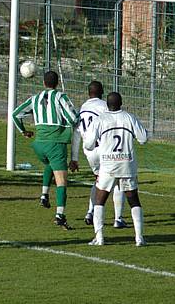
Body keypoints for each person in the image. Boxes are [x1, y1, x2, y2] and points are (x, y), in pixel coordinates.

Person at [12, 70, 79, 230]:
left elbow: (15, 114)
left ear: (43, 83)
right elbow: (73, 119)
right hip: (55, 143)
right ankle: (60, 216)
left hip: (39, 144)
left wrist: (24, 131)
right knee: (62, 181)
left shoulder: (35, 98)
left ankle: (44, 195)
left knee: (50, 164)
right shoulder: (61, 97)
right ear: (57, 83)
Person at [83, 92, 148, 246]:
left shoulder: (101, 119)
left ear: (107, 105)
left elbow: (88, 144)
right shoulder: (129, 117)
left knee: (100, 200)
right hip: (127, 163)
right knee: (134, 200)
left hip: (108, 165)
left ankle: (99, 238)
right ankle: (139, 238)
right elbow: (143, 139)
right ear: (121, 103)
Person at [69, 81, 127, 228]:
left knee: (99, 180)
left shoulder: (82, 108)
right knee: (117, 180)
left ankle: (90, 212)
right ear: (102, 92)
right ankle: (118, 218)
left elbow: (76, 133)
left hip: (88, 150)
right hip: (104, 148)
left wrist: (74, 158)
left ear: (88, 93)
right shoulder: (104, 106)